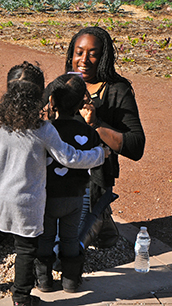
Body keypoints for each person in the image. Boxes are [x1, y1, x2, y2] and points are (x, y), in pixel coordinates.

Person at [0, 62, 109, 306]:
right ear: (39, 96)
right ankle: (21, 297)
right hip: (25, 202)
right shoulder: (43, 130)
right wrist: (99, 155)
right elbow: (69, 157)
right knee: (25, 249)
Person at [65, 27, 146, 249]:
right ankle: (102, 218)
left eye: (93, 53)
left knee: (69, 250)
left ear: (103, 57)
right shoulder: (65, 85)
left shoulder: (117, 90)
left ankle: (99, 211)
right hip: (59, 173)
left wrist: (96, 124)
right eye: (79, 52)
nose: (84, 60)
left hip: (93, 179)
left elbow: (136, 146)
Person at [34, 73, 102, 293]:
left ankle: (44, 281)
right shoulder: (88, 133)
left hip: (48, 196)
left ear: (52, 101)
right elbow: (94, 165)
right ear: (81, 103)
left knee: (45, 237)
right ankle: (71, 281)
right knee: (70, 237)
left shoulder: (46, 131)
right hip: (74, 197)